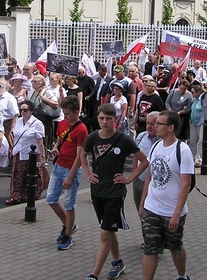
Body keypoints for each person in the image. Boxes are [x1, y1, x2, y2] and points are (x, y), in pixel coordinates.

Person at [80, 103, 149, 280]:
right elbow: (83, 154)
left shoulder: (123, 140)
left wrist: (129, 178)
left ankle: (93, 274)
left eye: (108, 119)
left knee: (104, 233)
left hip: (115, 192)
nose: (104, 122)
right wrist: (88, 173)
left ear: (114, 120)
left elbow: (144, 161)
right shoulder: (93, 137)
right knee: (108, 230)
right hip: (97, 190)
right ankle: (118, 262)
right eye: (101, 118)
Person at [140, 110, 193, 280]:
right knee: (150, 248)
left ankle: (181, 275)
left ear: (170, 127)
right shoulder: (156, 146)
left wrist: (176, 214)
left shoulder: (182, 150)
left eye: (159, 124)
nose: (155, 126)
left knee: (175, 247)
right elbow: (150, 175)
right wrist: (143, 203)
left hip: (172, 211)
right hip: (152, 208)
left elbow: (186, 184)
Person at [48, 96, 88, 251]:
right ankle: (68, 225)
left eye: (68, 114)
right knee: (51, 199)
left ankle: (68, 235)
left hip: (71, 169)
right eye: (64, 113)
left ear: (76, 112)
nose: (65, 117)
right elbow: (59, 138)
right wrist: (56, 147)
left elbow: (80, 156)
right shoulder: (63, 123)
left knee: (69, 204)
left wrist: (71, 176)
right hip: (59, 165)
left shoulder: (81, 129)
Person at [5, 100, 45, 205]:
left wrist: (42, 156)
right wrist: (12, 147)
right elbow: (14, 135)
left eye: (25, 110)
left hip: (31, 154)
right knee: (16, 174)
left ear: (31, 111)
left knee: (32, 175)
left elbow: (40, 142)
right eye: (21, 110)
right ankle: (15, 196)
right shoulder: (18, 121)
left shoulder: (37, 123)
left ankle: (33, 194)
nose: (23, 112)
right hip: (18, 152)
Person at [133, 112, 161, 210]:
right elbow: (136, 156)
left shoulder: (162, 141)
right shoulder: (141, 136)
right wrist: (135, 175)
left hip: (154, 182)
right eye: (147, 123)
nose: (149, 126)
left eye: (152, 124)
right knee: (140, 209)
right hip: (139, 179)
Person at [0, 79, 19, 175]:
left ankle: (14, 168)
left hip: (7, 123)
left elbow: (15, 114)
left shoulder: (10, 98)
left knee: (10, 146)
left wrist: (13, 127)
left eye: (0, 86)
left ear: (6, 88)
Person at [187, 84, 204, 166]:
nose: (192, 93)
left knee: (200, 141)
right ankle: (192, 157)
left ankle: (199, 159)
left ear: (198, 92)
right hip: (193, 122)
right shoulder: (194, 100)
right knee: (193, 140)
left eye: (193, 92)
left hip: (201, 123)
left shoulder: (203, 100)